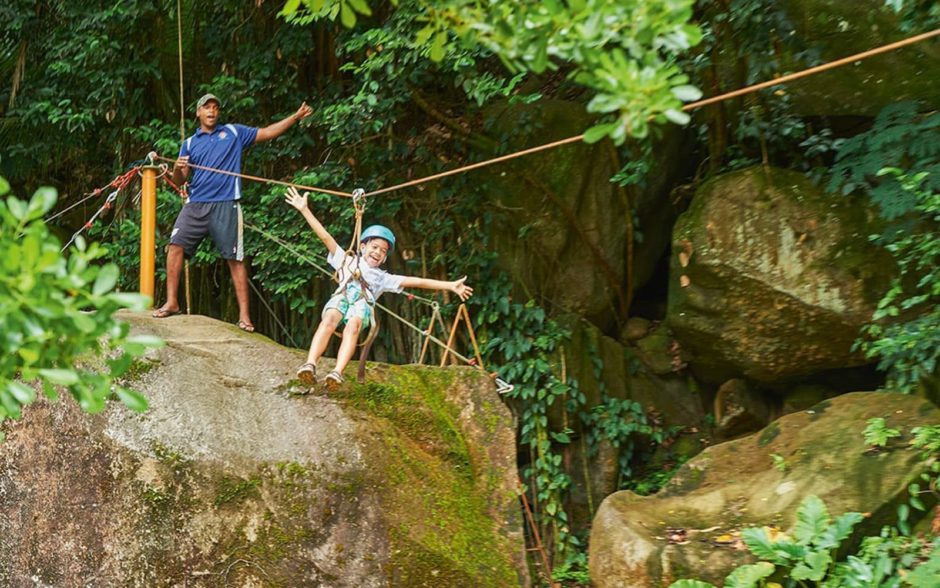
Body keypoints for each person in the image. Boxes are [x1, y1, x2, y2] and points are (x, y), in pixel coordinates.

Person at [284, 186, 473, 390]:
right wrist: (304, 209)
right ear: (363, 246)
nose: (378, 252)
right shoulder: (347, 260)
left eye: (383, 251)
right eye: (374, 247)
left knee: (354, 325)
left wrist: (450, 285)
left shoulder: (383, 278)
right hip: (344, 295)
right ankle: (310, 364)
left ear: (384, 258)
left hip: (362, 304)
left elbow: (416, 281)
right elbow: (325, 237)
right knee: (330, 318)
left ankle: (337, 372)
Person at [152, 93, 313, 332]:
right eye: (207, 107)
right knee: (175, 246)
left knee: (234, 258)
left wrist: (296, 116)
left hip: (226, 203)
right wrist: (174, 171)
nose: (212, 111)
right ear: (198, 112)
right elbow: (179, 180)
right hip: (195, 203)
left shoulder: (234, 132)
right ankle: (173, 302)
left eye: (216, 107)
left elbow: (267, 132)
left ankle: (245, 316)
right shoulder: (189, 143)